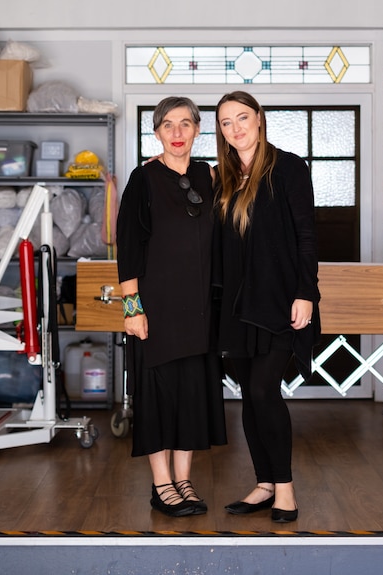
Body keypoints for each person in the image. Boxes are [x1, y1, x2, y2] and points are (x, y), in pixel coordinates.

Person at [213, 90, 321, 524]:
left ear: (259, 119)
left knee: (263, 390)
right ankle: (264, 483)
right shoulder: (219, 177)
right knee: (248, 397)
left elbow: (306, 236)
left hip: (278, 300)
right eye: (225, 122)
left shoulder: (289, 168)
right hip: (234, 306)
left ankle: (286, 489)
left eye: (242, 117)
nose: (236, 128)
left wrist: (306, 292)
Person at [116, 96, 227, 517]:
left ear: (198, 130)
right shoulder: (142, 179)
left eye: (185, 124)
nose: (177, 133)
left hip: (201, 309)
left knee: (192, 396)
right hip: (156, 309)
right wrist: (132, 307)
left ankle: (184, 480)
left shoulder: (211, 176)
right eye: (168, 125)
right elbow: (128, 247)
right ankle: (161, 485)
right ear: (157, 132)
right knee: (159, 396)